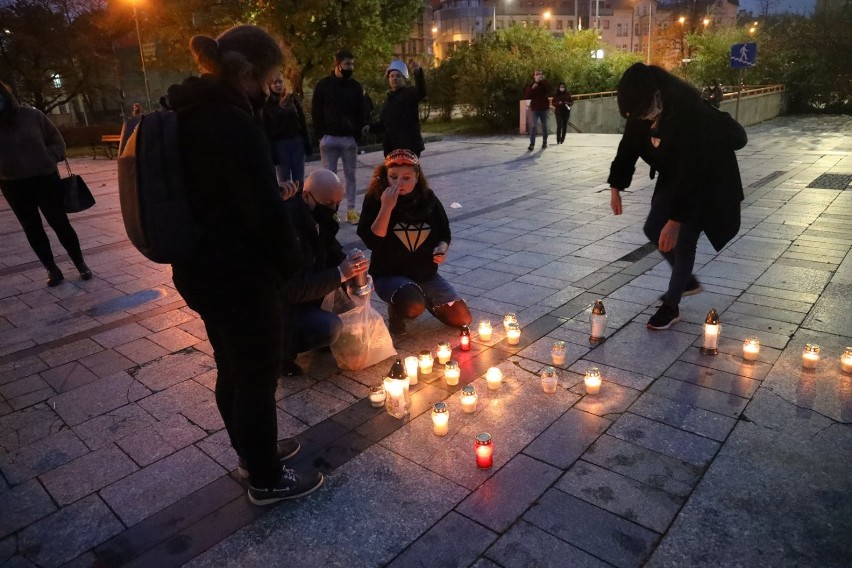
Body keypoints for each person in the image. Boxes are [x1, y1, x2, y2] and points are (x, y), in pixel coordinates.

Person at [165, 25, 323, 505]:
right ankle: (266, 477)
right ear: (247, 72)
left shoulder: (186, 111)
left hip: (199, 267)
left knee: (231, 367)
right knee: (256, 374)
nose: (270, 89)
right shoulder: (231, 121)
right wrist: (290, 261)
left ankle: (250, 454)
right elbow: (262, 210)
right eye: (270, 78)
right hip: (239, 273)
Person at [608, 63, 745, 330]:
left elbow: (693, 173)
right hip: (676, 174)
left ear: (657, 96)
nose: (644, 118)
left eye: (646, 112)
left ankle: (671, 305)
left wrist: (675, 221)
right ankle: (687, 282)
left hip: (708, 179)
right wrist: (616, 187)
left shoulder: (690, 113)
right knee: (652, 228)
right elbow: (628, 147)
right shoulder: (641, 110)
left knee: (682, 241)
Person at [357, 149, 471, 336]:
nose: (399, 183)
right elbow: (373, 241)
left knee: (462, 319)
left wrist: (442, 248)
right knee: (412, 304)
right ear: (386, 177)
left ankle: (423, 297)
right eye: (393, 177)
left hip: (424, 274)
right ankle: (398, 309)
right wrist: (387, 207)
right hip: (390, 275)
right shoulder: (376, 199)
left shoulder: (428, 199)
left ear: (417, 177)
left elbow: (444, 232)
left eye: (406, 178)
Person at [0, 81, 92, 287]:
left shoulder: (32, 116)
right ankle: (52, 269)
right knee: (32, 229)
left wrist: (49, 158)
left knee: (60, 224)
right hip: (13, 185)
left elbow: (57, 141)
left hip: (45, 179)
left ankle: (80, 263)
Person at [279, 170, 368, 375]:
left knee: (350, 302)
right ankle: (281, 354)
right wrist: (340, 274)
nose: (333, 209)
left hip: (309, 298)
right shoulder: (288, 227)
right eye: (328, 203)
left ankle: (315, 332)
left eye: (337, 203)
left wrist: (354, 266)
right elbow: (292, 288)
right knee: (331, 327)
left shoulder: (320, 219)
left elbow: (333, 251)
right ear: (306, 196)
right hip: (283, 310)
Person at [311, 49, 368, 225]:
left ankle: (351, 210)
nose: (350, 67)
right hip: (329, 139)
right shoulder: (323, 85)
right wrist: (321, 135)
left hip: (348, 140)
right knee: (329, 178)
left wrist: (357, 133)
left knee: (351, 176)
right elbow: (316, 111)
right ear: (337, 65)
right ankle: (332, 211)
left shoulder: (355, 87)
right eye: (347, 64)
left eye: (352, 64)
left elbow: (362, 110)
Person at [368, 59, 427, 157]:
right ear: (389, 79)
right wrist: (369, 128)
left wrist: (417, 73)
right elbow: (384, 124)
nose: (394, 78)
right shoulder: (389, 99)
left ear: (404, 79)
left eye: (398, 76)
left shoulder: (410, 93)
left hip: (409, 147)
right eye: (392, 76)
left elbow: (421, 92)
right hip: (392, 148)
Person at [263, 71, 311, 188]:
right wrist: (271, 152)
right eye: (275, 83)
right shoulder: (267, 104)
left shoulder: (292, 99)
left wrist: (307, 142)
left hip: (296, 142)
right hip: (279, 145)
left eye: (280, 82)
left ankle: (299, 204)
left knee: (299, 180)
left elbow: (302, 121)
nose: (278, 85)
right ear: (270, 85)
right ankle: (288, 205)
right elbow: (266, 130)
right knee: (284, 181)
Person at [523, 69, 551, 151]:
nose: (538, 75)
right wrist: (532, 88)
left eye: (540, 74)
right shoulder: (531, 85)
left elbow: (550, 90)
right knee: (534, 126)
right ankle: (532, 144)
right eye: (537, 74)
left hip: (544, 109)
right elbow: (526, 96)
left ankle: (544, 142)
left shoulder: (544, 84)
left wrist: (543, 81)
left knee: (544, 126)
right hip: (535, 109)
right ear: (534, 76)